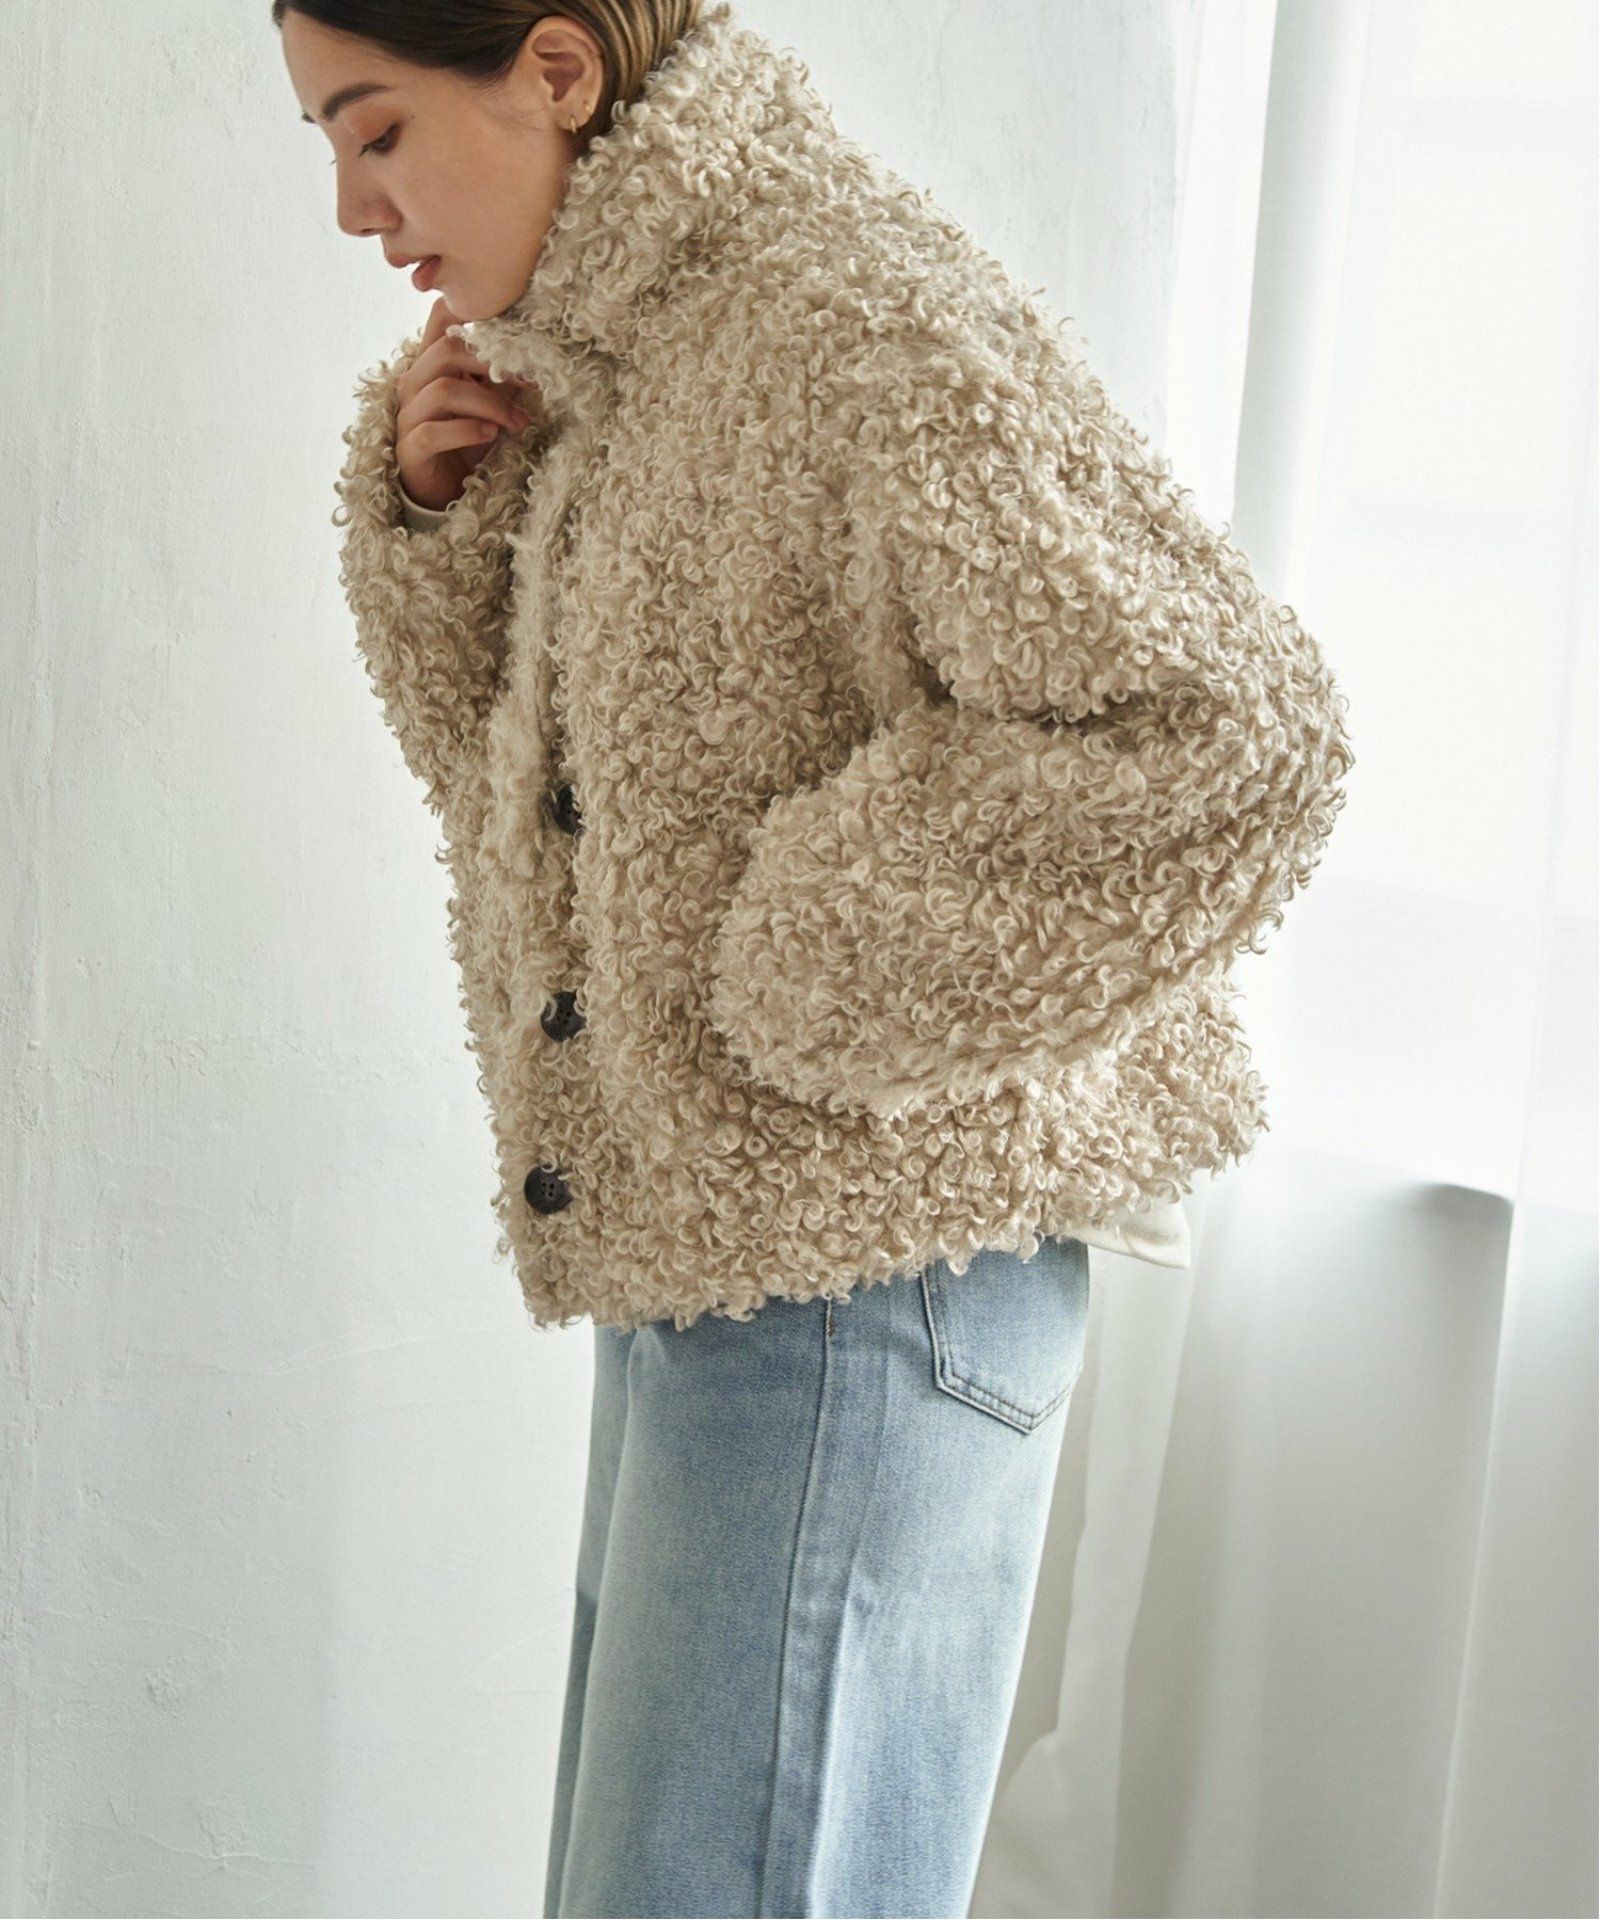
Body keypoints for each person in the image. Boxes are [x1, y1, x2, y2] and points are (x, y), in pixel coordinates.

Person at [280, 4, 1353, 1913]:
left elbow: (1228, 728)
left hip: (867, 1285)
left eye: (375, 133)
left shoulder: (850, 316)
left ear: (555, 72)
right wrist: (448, 526)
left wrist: (807, 970)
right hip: (734, 1272)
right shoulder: (621, 360)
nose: (358, 211)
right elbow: (563, 824)